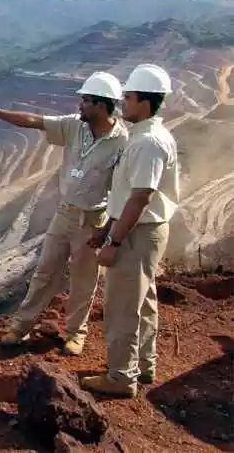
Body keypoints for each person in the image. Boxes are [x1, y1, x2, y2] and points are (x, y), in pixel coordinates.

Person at [0, 71, 128, 356]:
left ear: (101, 105)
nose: (79, 105)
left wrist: (108, 229)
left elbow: (124, 191)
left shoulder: (122, 141)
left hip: (93, 220)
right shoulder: (74, 127)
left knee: (84, 280)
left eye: (85, 100)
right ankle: (21, 326)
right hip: (64, 214)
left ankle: (76, 334)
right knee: (44, 272)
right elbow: (34, 121)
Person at [81, 64, 179, 398]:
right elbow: (126, 195)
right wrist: (107, 226)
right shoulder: (144, 137)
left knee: (122, 304)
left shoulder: (147, 143)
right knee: (143, 300)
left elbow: (140, 197)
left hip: (137, 233)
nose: (123, 103)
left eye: (129, 97)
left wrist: (114, 240)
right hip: (139, 230)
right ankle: (144, 365)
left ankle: (121, 377)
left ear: (145, 102)